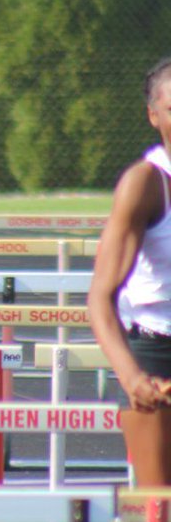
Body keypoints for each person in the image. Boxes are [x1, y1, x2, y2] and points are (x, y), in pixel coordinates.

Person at [89, 57, 171, 491]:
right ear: (154, 116)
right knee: (162, 512)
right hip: (158, 357)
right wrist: (131, 377)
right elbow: (100, 298)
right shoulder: (146, 184)